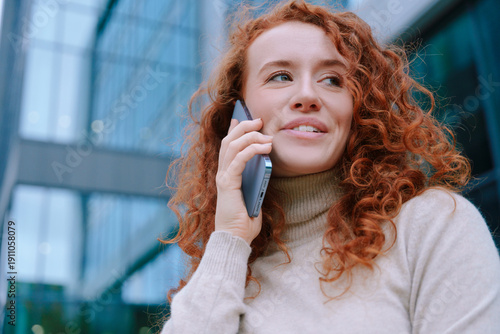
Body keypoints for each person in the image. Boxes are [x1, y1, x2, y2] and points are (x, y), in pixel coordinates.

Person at [159, 1, 500, 333]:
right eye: (280, 76)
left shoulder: (433, 226)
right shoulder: (229, 272)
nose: (307, 95)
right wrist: (230, 237)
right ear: (239, 112)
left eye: (333, 80)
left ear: (359, 109)